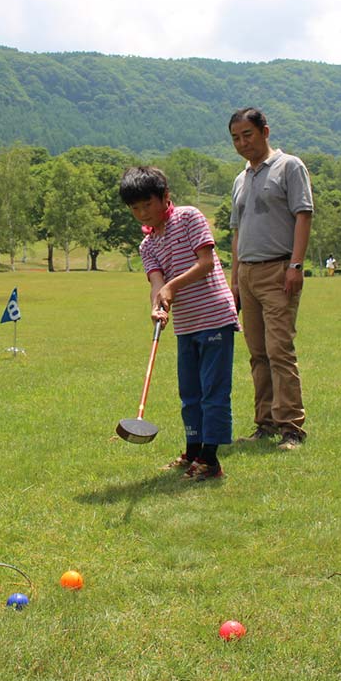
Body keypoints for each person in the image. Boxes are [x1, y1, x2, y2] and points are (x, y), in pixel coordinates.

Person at [120, 166, 239, 480]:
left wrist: (171, 288)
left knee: (213, 393)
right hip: (186, 324)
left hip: (214, 317)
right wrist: (157, 306)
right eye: (135, 208)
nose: (142, 213)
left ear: (165, 197)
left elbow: (206, 263)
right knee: (190, 394)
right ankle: (192, 452)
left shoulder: (189, 217)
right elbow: (157, 283)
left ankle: (210, 461)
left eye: (147, 204)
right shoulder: (148, 245)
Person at [228, 107, 314, 450]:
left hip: (278, 269)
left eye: (247, 134)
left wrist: (296, 265)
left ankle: (291, 427)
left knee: (280, 351)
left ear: (265, 131)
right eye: (235, 138)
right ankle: (264, 424)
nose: (241, 143)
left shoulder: (289, 166)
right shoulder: (240, 178)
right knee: (257, 353)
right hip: (247, 274)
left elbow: (303, 215)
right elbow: (236, 233)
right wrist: (234, 281)